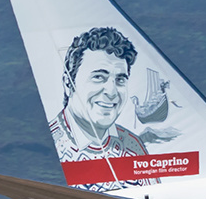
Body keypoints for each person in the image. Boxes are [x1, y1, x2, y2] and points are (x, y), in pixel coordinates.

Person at [49, 27, 149, 172]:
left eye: (120, 79)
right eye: (98, 77)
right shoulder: (51, 149)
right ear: (68, 83)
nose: (112, 92)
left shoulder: (133, 146)